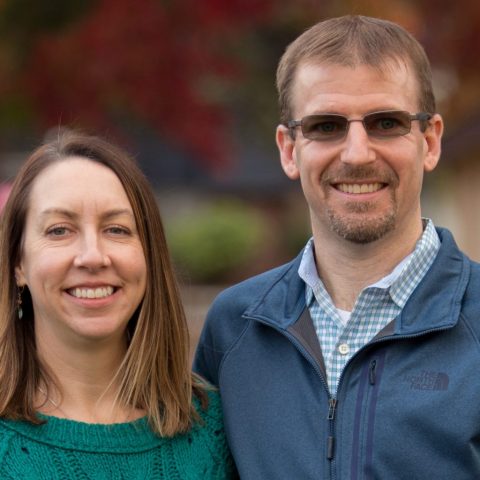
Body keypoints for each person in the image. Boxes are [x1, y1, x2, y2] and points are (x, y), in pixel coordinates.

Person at [194, 14, 480, 479]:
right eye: (326, 126)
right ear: (289, 149)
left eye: (386, 122)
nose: (357, 153)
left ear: (429, 140)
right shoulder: (233, 329)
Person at [0, 131, 237, 478]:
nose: (93, 256)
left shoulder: (215, 430)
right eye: (59, 230)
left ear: (148, 256)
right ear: (18, 264)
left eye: (117, 230)